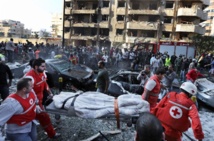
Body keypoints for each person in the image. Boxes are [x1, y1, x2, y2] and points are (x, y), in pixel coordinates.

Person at [24, 58, 60, 139]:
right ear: (36, 67)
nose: (45, 68)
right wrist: (35, 103)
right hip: (31, 102)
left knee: (42, 118)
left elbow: (44, 83)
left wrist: (50, 93)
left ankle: (51, 134)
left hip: (40, 100)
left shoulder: (42, 73)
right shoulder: (29, 77)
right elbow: (27, 92)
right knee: (44, 117)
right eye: (43, 66)